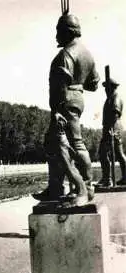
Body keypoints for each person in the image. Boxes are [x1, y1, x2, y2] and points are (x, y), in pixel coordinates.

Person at [33, 13, 100, 206]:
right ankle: (55, 188)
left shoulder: (66, 54)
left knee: (73, 143)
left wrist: (58, 110)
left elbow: (60, 83)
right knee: (53, 144)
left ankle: (86, 188)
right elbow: (94, 84)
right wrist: (78, 84)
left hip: (65, 102)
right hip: (76, 99)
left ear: (67, 32)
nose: (56, 36)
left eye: (58, 31)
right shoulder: (86, 53)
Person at [97, 78, 126, 186]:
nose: (105, 90)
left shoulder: (115, 97)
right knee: (112, 153)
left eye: (106, 87)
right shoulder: (110, 98)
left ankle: (108, 179)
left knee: (108, 153)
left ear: (112, 87)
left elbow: (115, 114)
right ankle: (108, 178)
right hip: (110, 127)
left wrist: (111, 130)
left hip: (113, 127)